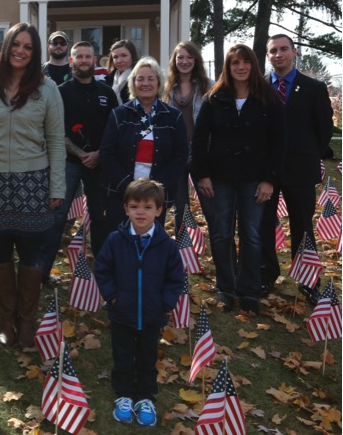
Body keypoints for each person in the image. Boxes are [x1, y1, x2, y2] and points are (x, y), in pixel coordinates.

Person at [0, 23, 65, 348]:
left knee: (32, 253)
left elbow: (56, 141)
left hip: (34, 181)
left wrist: (57, 187)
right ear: (6, 47)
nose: (21, 51)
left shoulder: (47, 90)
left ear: (34, 53)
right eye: (16, 44)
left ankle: (27, 321)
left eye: (28, 47)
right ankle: (6, 320)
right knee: (0, 252)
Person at [191, 44, 284, 314]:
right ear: (228, 67)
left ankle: (249, 291)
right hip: (219, 178)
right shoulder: (214, 98)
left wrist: (269, 180)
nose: (240, 67)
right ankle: (226, 288)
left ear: (253, 65)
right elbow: (199, 141)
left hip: (255, 180)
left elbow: (279, 143)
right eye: (235, 63)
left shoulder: (268, 97)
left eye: (245, 62)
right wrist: (202, 175)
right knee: (221, 234)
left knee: (252, 235)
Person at [94, 178, 185, 428]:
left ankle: (145, 397)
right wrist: (113, 297)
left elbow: (176, 278)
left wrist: (165, 304)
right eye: (134, 207)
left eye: (147, 207)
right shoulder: (115, 240)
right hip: (121, 313)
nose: (140, 212)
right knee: (122, 356)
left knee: (147, 357)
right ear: (126, 210)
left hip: (152, 315)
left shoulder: (166, 245)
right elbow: (102, 270)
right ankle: (123, 395)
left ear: (158, 210)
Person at [260, 34, 333, 302]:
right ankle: (266, 275)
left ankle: (308, 280)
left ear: (295, 52)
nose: (278, 54)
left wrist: (309, 154)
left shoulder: (313, 87)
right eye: (273, 51)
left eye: (283, 49)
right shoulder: (259, 88)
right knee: (264, 223)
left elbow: (324, 128)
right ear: (267, 56)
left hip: (300, 169)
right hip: (265, 171)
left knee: (303, 225)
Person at [38, 41, 117, 282]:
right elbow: (53, 128)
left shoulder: (106, 93)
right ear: (71, 61)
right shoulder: (60, 92)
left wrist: (98, 154)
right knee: (57, 217)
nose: (84, 60)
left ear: (95, 60)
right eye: (79, 56)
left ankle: (104, 274)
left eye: (88, 56)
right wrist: (80, 153)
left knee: (100, 219)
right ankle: (41, 273)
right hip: (69, 163)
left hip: (99, 165)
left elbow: (115, 130)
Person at [100, 57, 188, 233]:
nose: (145, 83)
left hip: (155, 197)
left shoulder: (173, 117)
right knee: (121, 244)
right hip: (121, 193)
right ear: (133, 83)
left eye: (151, 78)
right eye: (140, 79)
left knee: (150, 246)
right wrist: (129, 185)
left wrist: (155, 188)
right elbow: (107, 154)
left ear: (159, 82)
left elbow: (180, 157)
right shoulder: (119, 115)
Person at [162, 41, 214, 235]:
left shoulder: (208, 86)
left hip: (201, 155)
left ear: (196, 60)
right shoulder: (166, 88)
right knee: (180, 209)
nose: (184, 61)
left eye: (189, 57)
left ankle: (222, 256)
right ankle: (182, 258)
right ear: (174, 61)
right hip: (176, 155)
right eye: (180, 57)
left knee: (210, 208)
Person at [104, 39, 139, 104]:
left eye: (124, 55)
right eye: (115, 57)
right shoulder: (107, 82)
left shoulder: (139, 80)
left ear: (133, 56)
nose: (119, 60)